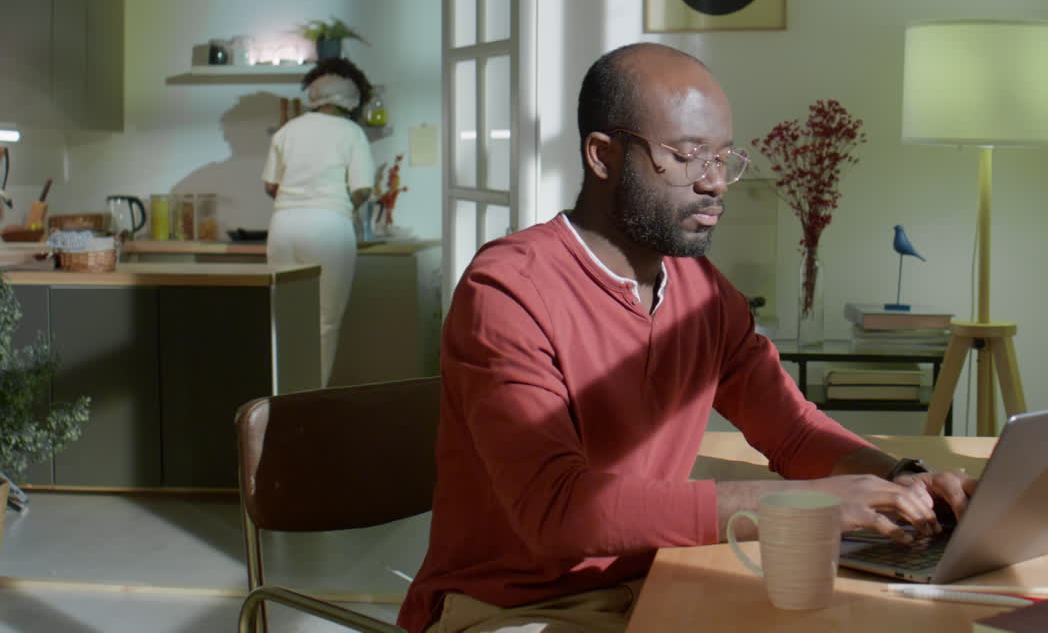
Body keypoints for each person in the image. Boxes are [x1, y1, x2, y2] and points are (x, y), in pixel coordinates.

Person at [398, 43, 976, 633]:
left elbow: (794, 430)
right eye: (689, 155)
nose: (716, 182)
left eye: (725, 157)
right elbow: (559, 511)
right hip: (515, 610)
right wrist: (804, 507)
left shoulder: (703, 293)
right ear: (603, 155)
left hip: (655, 586)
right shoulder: (508, 290)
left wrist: (902, 478)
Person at [262, 58, 375, 386]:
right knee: (325, 321)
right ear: (352, 100)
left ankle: (278, 394)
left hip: (283, 227)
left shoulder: (287, 130)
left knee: (283, 317)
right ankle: (311, 397)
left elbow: (271, 185)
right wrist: (337, 205)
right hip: (328, 227)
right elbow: (362, 188)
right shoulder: (351, 132)